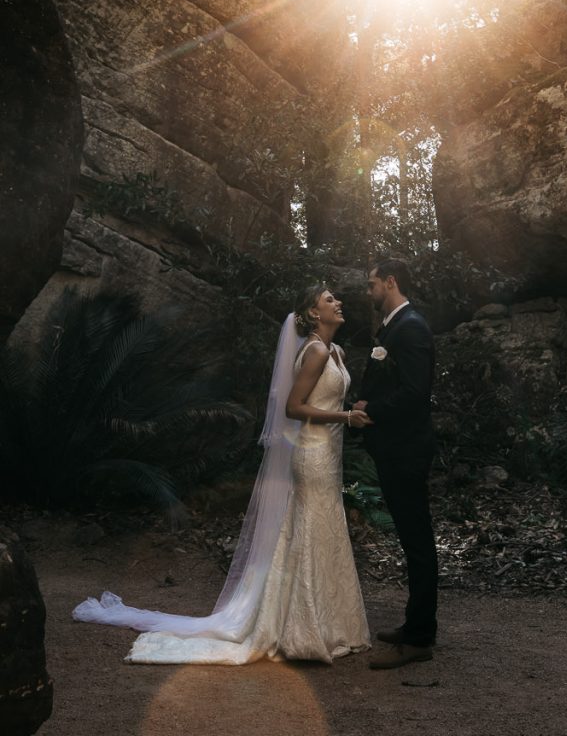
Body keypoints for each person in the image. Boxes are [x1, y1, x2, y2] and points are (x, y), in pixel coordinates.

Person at [73, 285, 372, 665]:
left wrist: (352, 407)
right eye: (329, 300)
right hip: (311, 454)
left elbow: (326, 399)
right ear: (314, 313)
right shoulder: (313, 350)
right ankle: (303, 630)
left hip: (331, 455)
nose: (338, 303)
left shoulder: (337, 352)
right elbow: (294, 408)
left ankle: (332, 625)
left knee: (327, 530)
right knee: (310, 531)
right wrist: (345, 417)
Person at [353, 258, 438, 669]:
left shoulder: (413, 327)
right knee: (410, 540)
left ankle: (421, 638)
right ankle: (413, 624)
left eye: (372, 285)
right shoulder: (392, 328)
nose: (368, 292)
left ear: (391, 282)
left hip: (406, 451)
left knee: (418, 542)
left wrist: (375, 409)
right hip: (393, 449)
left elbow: (415, 393)